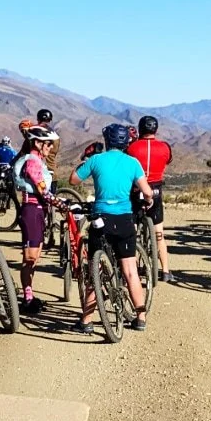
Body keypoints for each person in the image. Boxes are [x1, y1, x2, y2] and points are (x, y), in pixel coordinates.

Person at [69, 123, 154, 334]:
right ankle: (140, 317)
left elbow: (73, 180)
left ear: (107, 140)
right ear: (126, 142)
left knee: (94, 271)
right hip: (125, 219)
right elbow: (147, 191)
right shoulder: (133, 162)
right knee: (130, 271)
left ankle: (86, 320)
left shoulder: (96, 160)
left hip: (101, 219)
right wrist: (149, 200)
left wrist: (85, 158)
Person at [11, 125, 59, 314]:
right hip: (31, 210)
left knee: (34, 258)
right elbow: (42, 191)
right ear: (38, 143)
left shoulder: (38, 160)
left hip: (37, 210)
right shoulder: (32, 162)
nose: (50, 148)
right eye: (48, 144)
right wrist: (61, 204)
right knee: (30, 258)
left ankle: (29, 296)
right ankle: (27, 299)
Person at [126, 115, 177, 284]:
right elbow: (168, 160)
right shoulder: (165, 147)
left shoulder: (132, 147)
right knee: (159, 233)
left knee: (131, 231)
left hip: (136, 189)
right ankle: (166, 271)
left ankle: (129, 269)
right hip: (156, 190)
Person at [35, 109, 61, 192]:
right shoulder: (55, 135)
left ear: (38, 119)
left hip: (42, 174)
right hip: (53, 173)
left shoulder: (38, 132)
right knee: (51, 199)